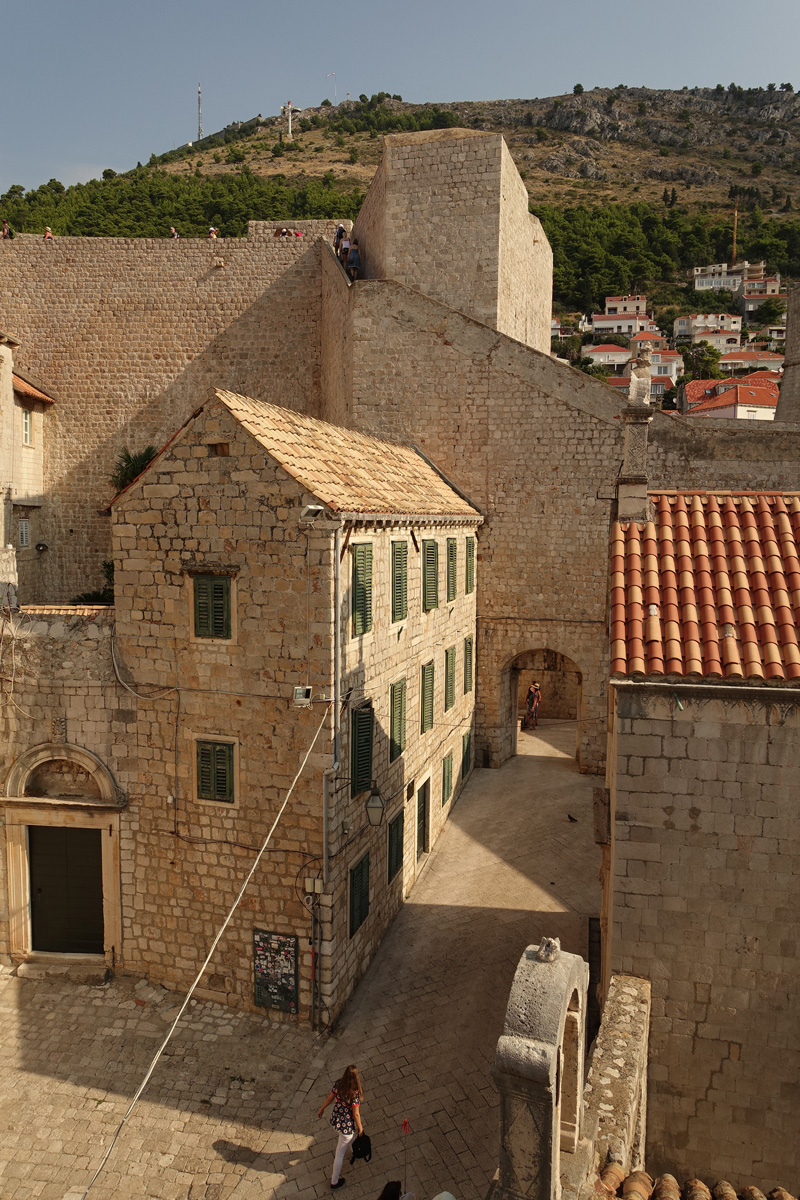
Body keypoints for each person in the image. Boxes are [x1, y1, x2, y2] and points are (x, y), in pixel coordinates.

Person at [317, 1064, 364, 1189]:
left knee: (348, 1138)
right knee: (340, 1154)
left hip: (336, 1120)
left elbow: (329, 1098)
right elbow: (356, 1114)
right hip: (346, 1126)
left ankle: (356, 1150)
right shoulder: (354, 1093)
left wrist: (322, 1108)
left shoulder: (338, 1084)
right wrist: (361, 1129)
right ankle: (334, 1181)